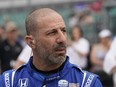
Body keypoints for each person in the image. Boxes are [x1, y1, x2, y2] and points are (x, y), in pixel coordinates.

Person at [0, 8, 102, 87]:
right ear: (31, 42)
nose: (62, 39)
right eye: (52, 33)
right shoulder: (9, 82)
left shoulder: (87, 82)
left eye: (63, 31)